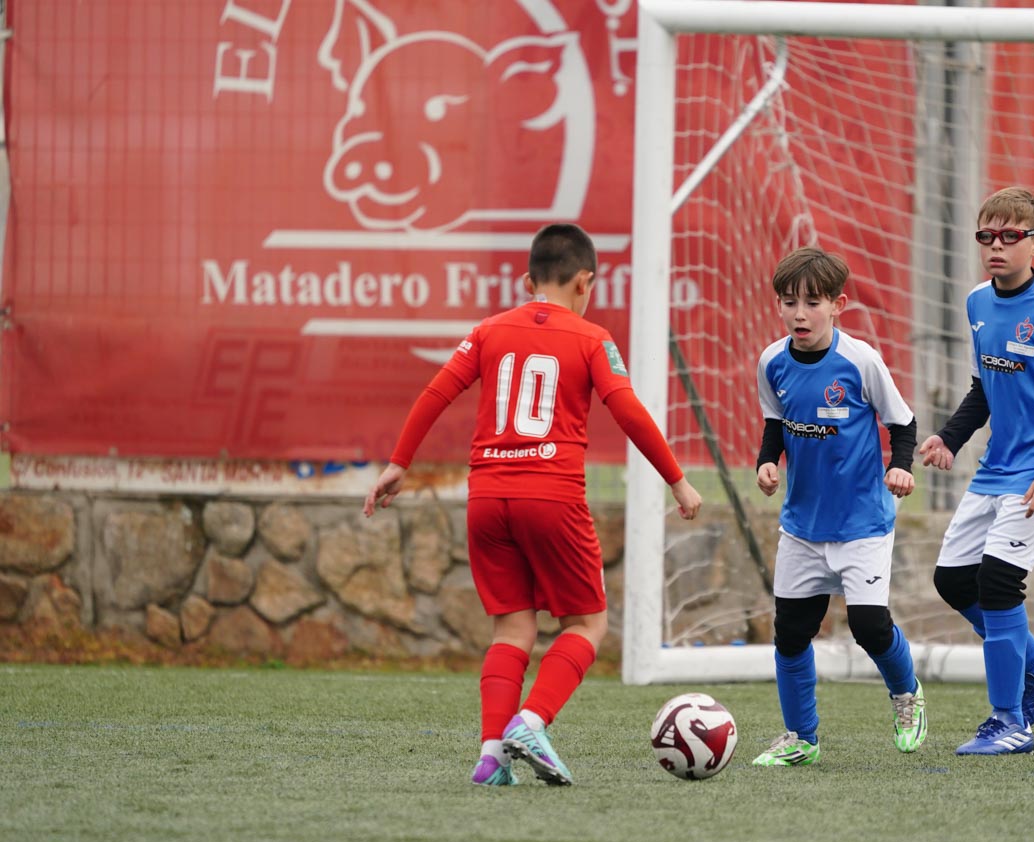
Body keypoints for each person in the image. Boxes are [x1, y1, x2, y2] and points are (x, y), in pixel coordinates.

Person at [363, 223, 702, 786]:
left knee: (511, 631)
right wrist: (677, 479)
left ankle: (493, 758)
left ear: (528, 280)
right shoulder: (592, 339)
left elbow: (436, 392)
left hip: (487, 498)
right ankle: (532, 721)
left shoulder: (488, 331)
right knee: (587, 623)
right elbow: (628, 410)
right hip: (551, 496)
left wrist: (400, 462)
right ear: (586, 282)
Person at [918, 186, 1034, 756]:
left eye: (1010, 236)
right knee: (953, 580)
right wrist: (949, 438)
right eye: (986, 237)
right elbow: (984, 388)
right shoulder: (977, 302)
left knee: (999, 584)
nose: (996, 246)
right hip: (996, 467)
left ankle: (1009, 722)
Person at [751, 246, 928, 767]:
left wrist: (901, 467)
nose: (798, 313)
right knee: (790, 633)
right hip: (803, 525)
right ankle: (801, 737)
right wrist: (768, 463)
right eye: (788, 302)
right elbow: (775, 425)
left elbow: (903, 422)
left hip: (862, 524)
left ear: (838, 304)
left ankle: (907, 697)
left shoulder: (860, 361)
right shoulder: (771, 362)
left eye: (811, 302)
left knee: (870, 627)